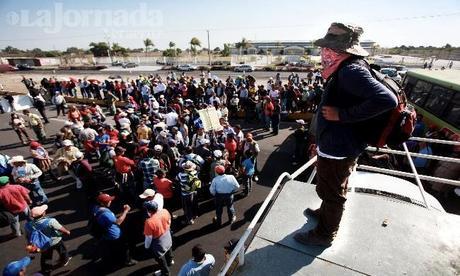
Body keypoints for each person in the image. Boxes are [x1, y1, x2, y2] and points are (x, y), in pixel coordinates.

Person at [293, 22, 398, 247]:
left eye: (330, 48)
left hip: (339, 146)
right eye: (324, 47)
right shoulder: (348, 66)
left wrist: (342, 115)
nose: (324, 52)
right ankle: (325, 213)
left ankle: (325, 234)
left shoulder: (351, 70)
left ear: (344, 51)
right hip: (337, 143)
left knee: (332, 193)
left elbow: (388, 100)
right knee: (329, 186)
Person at [92, 193, 137, 268]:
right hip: (114, 234)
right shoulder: (106, 214)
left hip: (106, 234)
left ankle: (115, 258)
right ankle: (127, 261)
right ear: (103, 203)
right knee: (124, 247)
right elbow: (118, 222)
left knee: (113, 248)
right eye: (109, 201)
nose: (110, 201)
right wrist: (126, 211)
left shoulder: (96, 208)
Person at [25, 205, 71, 274]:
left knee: (47, 258)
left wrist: (30, 244)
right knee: (62, 251)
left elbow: (28, 236)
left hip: (43, 245)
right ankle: (64, 260)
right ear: (43, 214)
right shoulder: (51, 221)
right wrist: (67, 232)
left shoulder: (28, 225)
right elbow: (61, 229)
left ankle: (47, 270)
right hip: (56, 241)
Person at [143, 201, 174, 276]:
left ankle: (166, 272)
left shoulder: (149, 222)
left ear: (149, 211)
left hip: (159, 243)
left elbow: (149, 238)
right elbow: (169, 221)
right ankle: (170, 261)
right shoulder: (164, 211)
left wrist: (146, 246)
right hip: (167, 237)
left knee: (160, 259)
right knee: (168, 248)